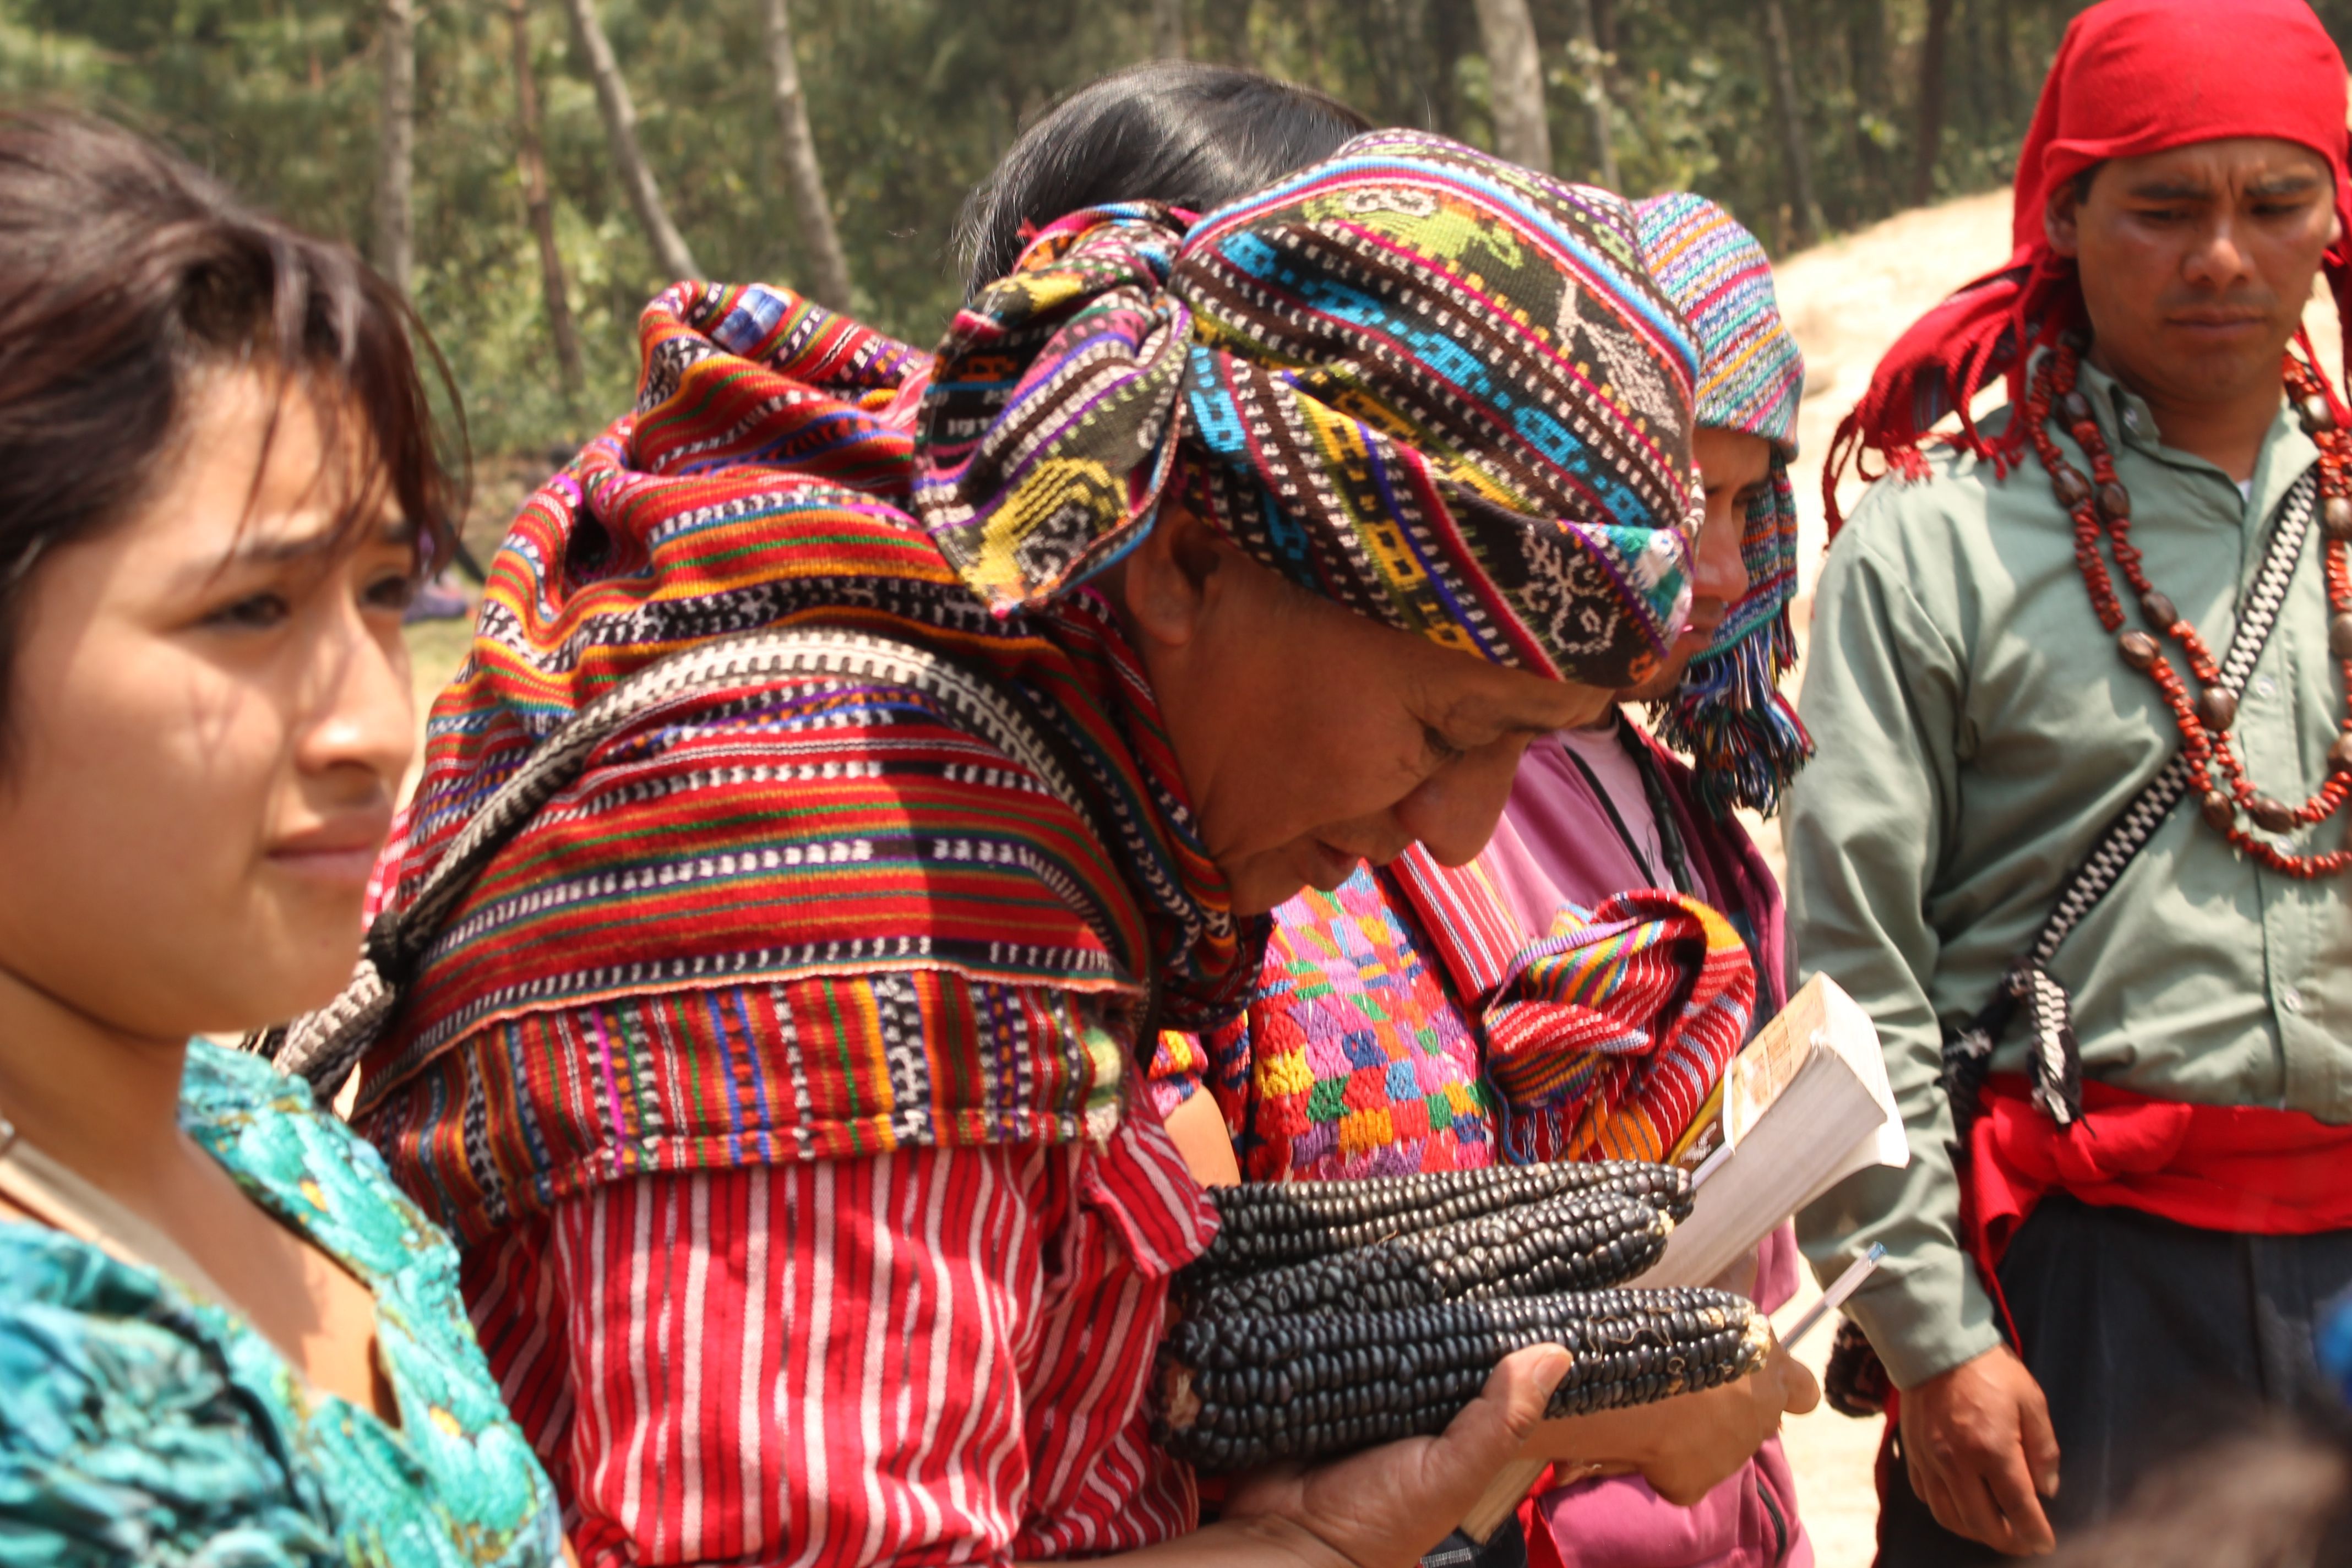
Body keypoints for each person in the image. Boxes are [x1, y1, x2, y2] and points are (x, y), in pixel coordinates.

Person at [335, 129, 1757, 1566]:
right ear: (1185, 562)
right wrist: (1316, 1553)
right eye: (1453, 732)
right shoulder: (870, 931)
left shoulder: (1001, 769)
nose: (1459, 833)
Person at [1159, 193, 1819, 1568]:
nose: (1708, 558)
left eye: (1746, 503)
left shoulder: (1685, 797)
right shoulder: (1210, 893)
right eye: (1451, 731)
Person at [1789, 0, 2352, 1559]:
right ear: (2066, 214)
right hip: (2080, 1299)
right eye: (2165, 207)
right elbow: (1852, 977)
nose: (2223, 257)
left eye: (2274, 202)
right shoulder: (1936, 546)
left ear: (2336, 216)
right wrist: (1932, 1333)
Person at [0, 113, 566, 1564]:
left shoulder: (278, 1152)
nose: (374, 726)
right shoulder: (43, 1385)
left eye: (382, 596)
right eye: (252, 611)